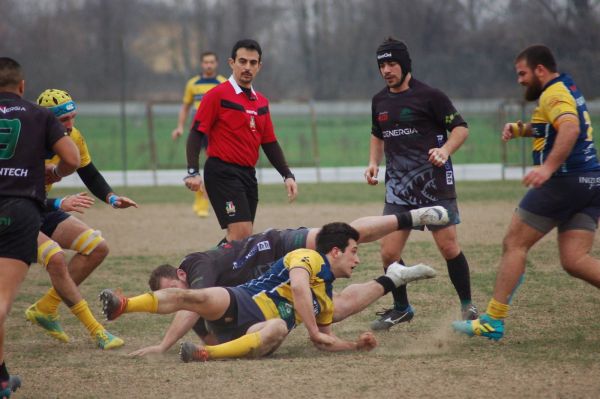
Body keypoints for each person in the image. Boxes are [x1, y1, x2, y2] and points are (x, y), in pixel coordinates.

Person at [128, 205, 449, 356]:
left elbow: (190, 302)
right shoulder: (195, 317)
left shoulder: (197, 265)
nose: (173, 302)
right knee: (331, 309)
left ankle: (413, 217)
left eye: (172, 292)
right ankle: (391, 279)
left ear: (181, 275)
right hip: (265, 295)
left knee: (345, 234)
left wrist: (162, 346)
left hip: (274, 247)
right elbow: (217, 338)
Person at [453, 45, 600, 341]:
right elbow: (556, 126)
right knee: (574, 259)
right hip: (591, 182)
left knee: (514, 243)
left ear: (540, 70)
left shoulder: (552, 92)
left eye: (522, 73)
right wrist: (523, 129)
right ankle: (493, 318)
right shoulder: (567, 85)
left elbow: (569, 129)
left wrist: (546, 169)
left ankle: (493, 320)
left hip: (563, 181)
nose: (519, 80)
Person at [364, 37, 477, 330]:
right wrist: (374, 163)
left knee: (448, 247)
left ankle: (468, 306)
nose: (386, 70)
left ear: (405, 65)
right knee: (388, 253)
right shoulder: (379, 100)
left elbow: (461, 128)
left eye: (392, 64)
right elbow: (378, 133)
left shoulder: (431, 96)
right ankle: (402, 307)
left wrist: (445, 150)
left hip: (434, 186)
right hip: (398, 189)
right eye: (382, 65)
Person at [23, 88, 138, 350]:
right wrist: (58, 203)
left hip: (40, 207)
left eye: (73, 117)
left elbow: (89, 172)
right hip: (18, 211)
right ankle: (96, 331)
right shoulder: (26, 142)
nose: (70, 125)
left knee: (97, 247)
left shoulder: (72, 136)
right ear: (46, 119)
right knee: (56, 257)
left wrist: (111, 198)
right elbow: (15, 191)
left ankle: (46, 307)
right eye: (64, 120)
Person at [0, 57, 79, 398]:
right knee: (1, 299)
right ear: (21, 86)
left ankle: (2, 377)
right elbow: (73, 159)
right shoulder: (39, 114)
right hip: (17, 209)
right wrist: (55, 174)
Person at [184, 39, 298, 243]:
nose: (247, 67)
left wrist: (287, 175)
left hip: (248, 176)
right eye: (242, 61)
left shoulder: (262, 102)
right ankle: (203, 270)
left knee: (240, 240)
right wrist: (193, 171)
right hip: (222, 173)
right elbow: (196, 133)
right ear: (231, 63)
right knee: (241, 233)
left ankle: (206, 269)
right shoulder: (216, 95)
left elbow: (270, 143)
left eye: (253, 63)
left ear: (259, 66)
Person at [171, 51, 226, 218]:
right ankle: (200, 202)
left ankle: (207, 201)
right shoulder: (192, 84)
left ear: (216, 63)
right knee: (195, 164)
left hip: (215, 131)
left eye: (211, 62)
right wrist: (180, 126)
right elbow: (186, 107)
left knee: (213, 166)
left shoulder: (223, 83)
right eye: (205, 62)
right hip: (198, 129)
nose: (208, 65)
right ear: (201, 64)